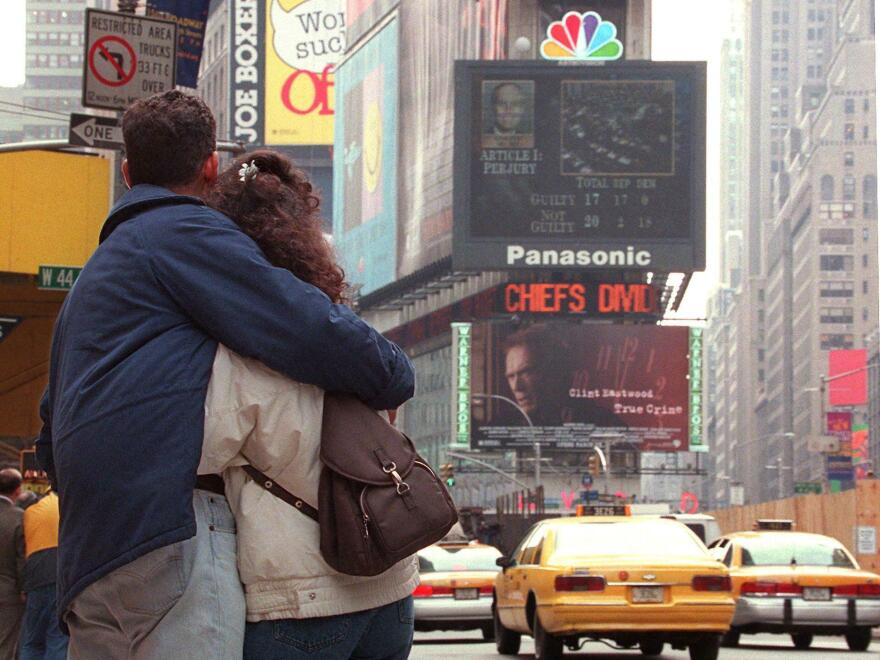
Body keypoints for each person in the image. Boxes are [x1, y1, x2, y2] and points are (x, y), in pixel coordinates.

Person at [36, 91, 414, 658]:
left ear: (127, 170)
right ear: (210, 165)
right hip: (167, 528)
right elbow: (311, 328)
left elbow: (48, 429)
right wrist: (392, 372)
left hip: (94, 546)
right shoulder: (180, 236)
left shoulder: (98, 277)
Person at [200, 150, 417, 659]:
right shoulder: (356, 339)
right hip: (390, 591)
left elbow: (204, 451)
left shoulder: (236, 352)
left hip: (299, 600)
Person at [494, 325, 624, 428]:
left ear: (552, 370)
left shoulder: (601, 422)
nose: (517, 387)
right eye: (511, 376)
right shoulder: (501, 425)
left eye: (526, 372)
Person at [19, 490, 67, 660]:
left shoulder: (30, 513)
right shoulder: (65, 507)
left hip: (35, 578)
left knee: (32, 640)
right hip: (61, 577)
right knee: (57, 638)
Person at [0, 468, 24, 660]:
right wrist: (24, 588)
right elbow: (21, 559)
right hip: (8, 591)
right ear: (17, 490)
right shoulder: (18, 517)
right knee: (7, 643)